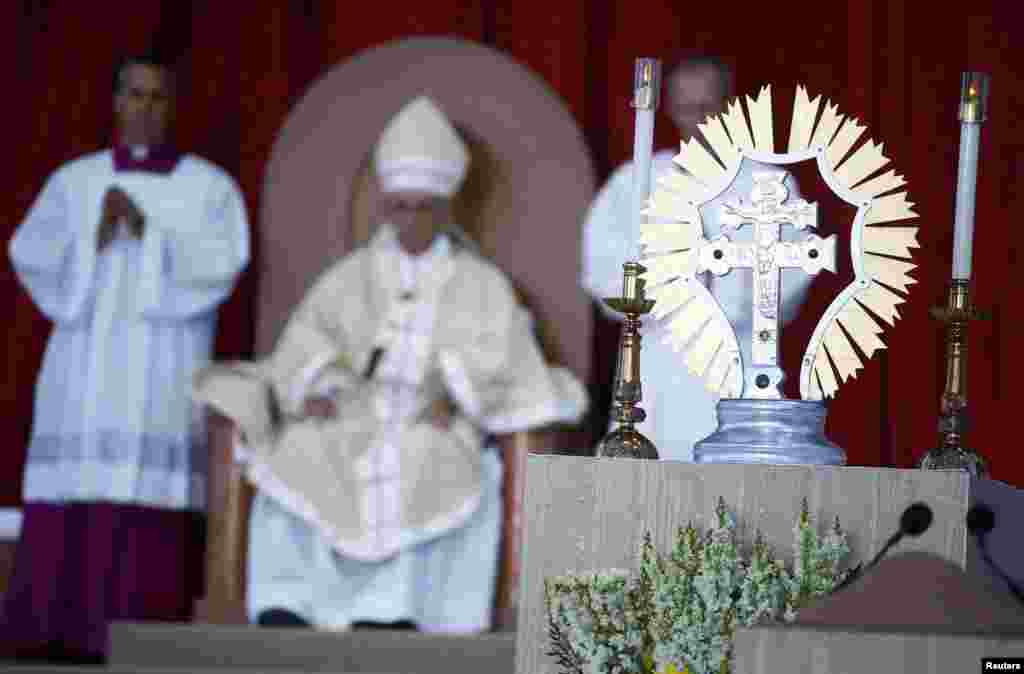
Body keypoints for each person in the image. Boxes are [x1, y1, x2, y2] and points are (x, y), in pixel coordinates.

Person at [193, 96, 587, 633]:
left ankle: (396, 610)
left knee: (426, 461)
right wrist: (320, 387)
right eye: (398, 207)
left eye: (421, 208)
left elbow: (507, 365)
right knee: (297, 450)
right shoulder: (348, 277)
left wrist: (455, 392)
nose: (409, 221)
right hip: (355, 413)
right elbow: (307, 343)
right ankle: (290, 603)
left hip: (433, 418)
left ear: (446, 208)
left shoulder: (482, 285)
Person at [2, 52, 250, 661]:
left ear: (174, 107)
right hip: (83, 359)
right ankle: (54, 632)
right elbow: (31, 254)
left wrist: (150, 233)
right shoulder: (75, 181)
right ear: (114, 102)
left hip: (160, 362)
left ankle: (141, 635)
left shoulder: (208, 187)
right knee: (76, 478)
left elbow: (224, 264)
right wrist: (92, 234)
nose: (144, 108)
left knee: (148, 485)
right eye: (133, 95)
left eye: (157, 97)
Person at [582, 55, 811, 461]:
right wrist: (672, 282)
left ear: (730, 105)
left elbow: (789, 278)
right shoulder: (636, 182)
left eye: (707, 107)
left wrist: (714, 282)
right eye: (686, 109)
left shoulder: (770, 184)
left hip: (736, 363)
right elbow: (602, 272)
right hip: (655, 367)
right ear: (669, 109)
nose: (697, 120)